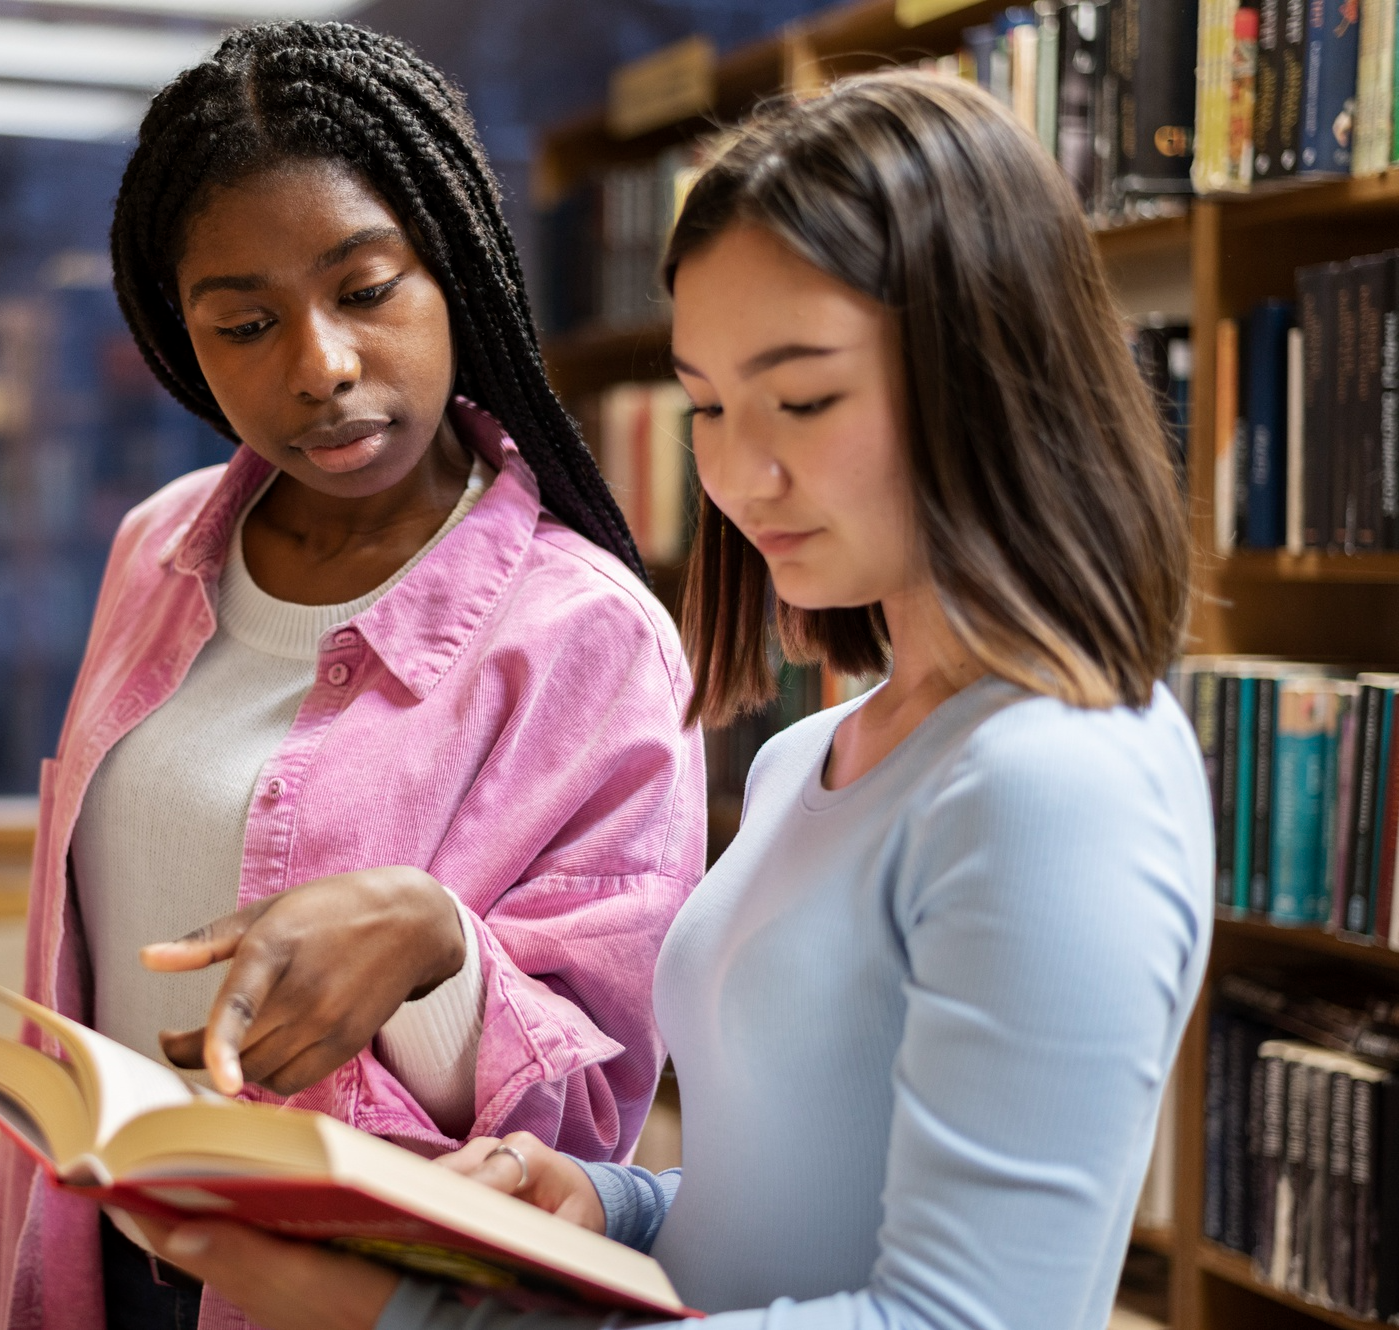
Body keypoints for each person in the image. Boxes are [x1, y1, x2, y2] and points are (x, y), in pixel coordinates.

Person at [130, 71, 1215, 1330]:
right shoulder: (810, 757)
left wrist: (414, 1314)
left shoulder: (1055, 778)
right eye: (705, 403)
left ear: (988, 372)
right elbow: (796, 1206)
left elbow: (962, 1319)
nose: (738, 472)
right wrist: (612, 1203)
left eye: (802, 397)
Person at [0, 21, 707, 1330]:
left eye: (365, 290)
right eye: (245, 323)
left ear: (453, 272)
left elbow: (591, 1117)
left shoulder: (589, 635)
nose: (321, 366)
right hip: (110, 1264)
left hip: (362, 1301)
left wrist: (432, 948)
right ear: (185, 342)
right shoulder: (158, 551)